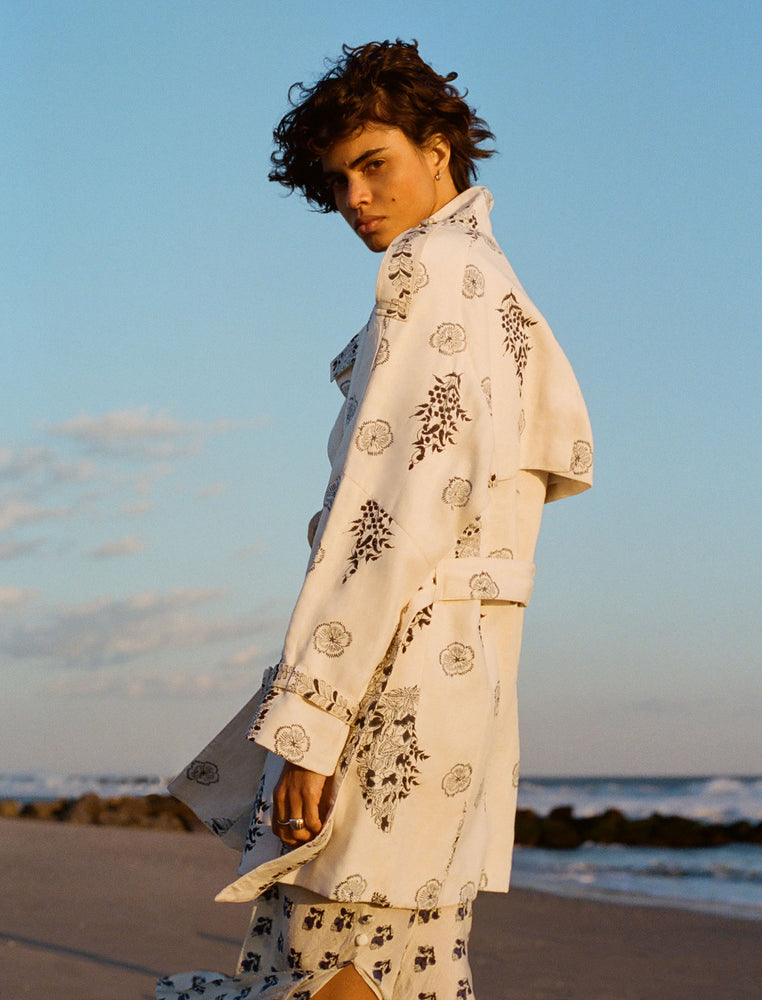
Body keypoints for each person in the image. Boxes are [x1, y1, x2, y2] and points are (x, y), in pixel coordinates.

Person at [158, 39, 592, 1000]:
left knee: (337, 968)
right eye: (337, 179)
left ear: (439, 148)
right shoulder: (502, 290)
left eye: (374, 162)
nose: (355, 197)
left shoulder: (431, 273)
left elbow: (388, 516)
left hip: (393, 686)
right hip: (466, 691)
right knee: (404, 966)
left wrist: (313, 719)